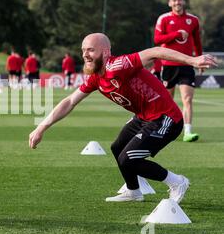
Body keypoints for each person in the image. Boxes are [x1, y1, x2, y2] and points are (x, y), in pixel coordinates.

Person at [29, 33, 216, 202]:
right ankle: (134, 191)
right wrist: (41, 127)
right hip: (144, 117)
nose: (85, 54)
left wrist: (192, 60)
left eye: (91, 50)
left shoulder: (119, 65)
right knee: (117, 148)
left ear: (105, 52)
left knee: (128, 158)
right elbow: (70, 101)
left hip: (166, 118)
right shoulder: (95, 77)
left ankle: (178, 182)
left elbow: (156, 51)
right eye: (83, 50)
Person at [154, 0, 203, 142]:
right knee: (168, 100)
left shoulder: (193, 20)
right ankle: (166, 129)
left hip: (187, 64)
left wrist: (199, 59)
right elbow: (157, 39)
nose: (177, 3)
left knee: (187, 99)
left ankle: (187, 132)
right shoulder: (164, 19)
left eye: (179, 0)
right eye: (174, 0)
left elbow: (197, 41)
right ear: (169, 3)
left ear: (183, 2)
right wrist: (176, 34)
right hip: (168, 65)